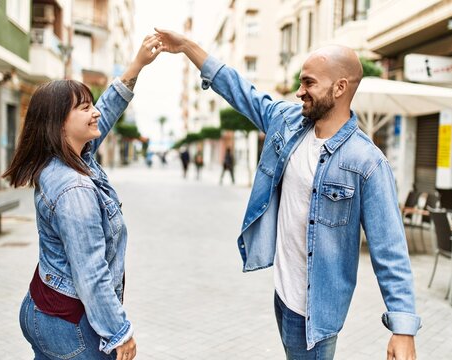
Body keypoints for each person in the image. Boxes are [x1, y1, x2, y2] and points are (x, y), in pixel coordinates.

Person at [157, 28, 421, 360]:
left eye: (309, 83)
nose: (299, 92)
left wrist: (403, 328)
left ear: (340, 88)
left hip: (314, 312)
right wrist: (187, 47)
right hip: (283, 295)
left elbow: (390, 248)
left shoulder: (367, 163)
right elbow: (243, 92)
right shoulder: (290, 123)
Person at [2, 34, 163, 360]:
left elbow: (107, 109)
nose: (95, 113)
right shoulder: (75, 188)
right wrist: (120, 332)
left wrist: (137, 64)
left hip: (43, 306)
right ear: (60, 124)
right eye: (84, 107)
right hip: (70, 324)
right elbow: (91, 274)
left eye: (92, 105)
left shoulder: (63, 158)